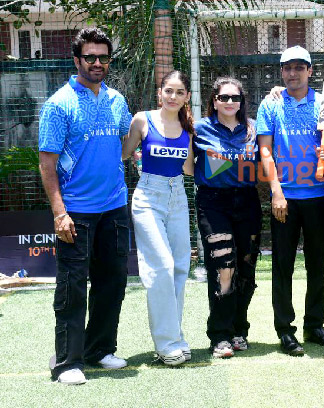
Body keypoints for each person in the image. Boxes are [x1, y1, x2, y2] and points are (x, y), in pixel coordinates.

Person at [38, 28, 132, 385]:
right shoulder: (58, 104)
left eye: (103, 57)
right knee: (72, 287)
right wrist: (60, 213)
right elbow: (47, 164)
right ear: (76, 60)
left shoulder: (117, 101)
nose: (97, 63)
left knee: (113, 282)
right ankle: (67, 362)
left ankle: (99, 349)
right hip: (75, 211)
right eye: (90, 57)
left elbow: (126, 142)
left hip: (115, 206)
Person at [256, 45, 324, 356]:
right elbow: (265, 151)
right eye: (287, 68)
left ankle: (314, 325)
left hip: (319, 197)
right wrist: (276, 192)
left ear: (310, 71)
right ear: (282, 72)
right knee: (283, 266)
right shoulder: (270, 104)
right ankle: (285, 329)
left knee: (318, 264)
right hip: (285, 199)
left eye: (299, 67)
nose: (293, 73)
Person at [122, 70, 194, 366]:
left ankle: (174, 337)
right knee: (160, 266)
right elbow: (124, 154)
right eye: (169, 91)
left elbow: (189, 169)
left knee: (179, 267)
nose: (173, 97)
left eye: (179, 92)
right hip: (148, 196)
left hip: (178, 196)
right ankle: (166, 345)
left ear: (187, 97)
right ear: (160, 92)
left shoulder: (188, 127)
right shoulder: (142, 119)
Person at [194, 77, 261, 358]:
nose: (230, 102)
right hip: (213, 203)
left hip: (247, 201)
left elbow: (266, 161)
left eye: (235, 98)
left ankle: (238, 330)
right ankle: (219, 334)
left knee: (245, 269)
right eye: (224, 98)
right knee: (224, 267)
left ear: (242, 101)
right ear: (214, 100)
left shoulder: (253, 129)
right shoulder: (199, 129)